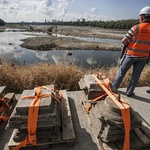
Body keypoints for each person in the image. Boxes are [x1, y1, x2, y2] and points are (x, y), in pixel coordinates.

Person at [111, 6, 150, 97]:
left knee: (122, 72)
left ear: (142, 17)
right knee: (136, 75)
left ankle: (114, 88)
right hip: (143, 57)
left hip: (131, 55)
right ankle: (129, 92)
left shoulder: (135, 28)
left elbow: (124, 41)